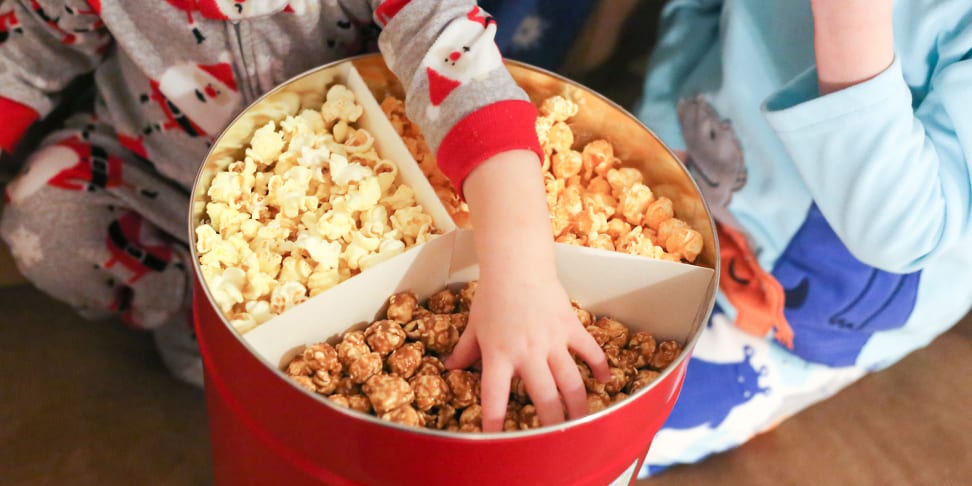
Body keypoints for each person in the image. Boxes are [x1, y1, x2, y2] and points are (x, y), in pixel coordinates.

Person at [0, 0, 610, 432]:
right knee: (41, 220)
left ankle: (251, 332)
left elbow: (462, 68)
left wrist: (523, 273)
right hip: (150, 167)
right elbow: (22, 57)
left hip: (340, 197)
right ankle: (194, 313)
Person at [634, 0, 972, 476]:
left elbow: (903, 235)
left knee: (593, 444)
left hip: (792, 325)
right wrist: (659, 138)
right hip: (679, 187)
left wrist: (850, 20)